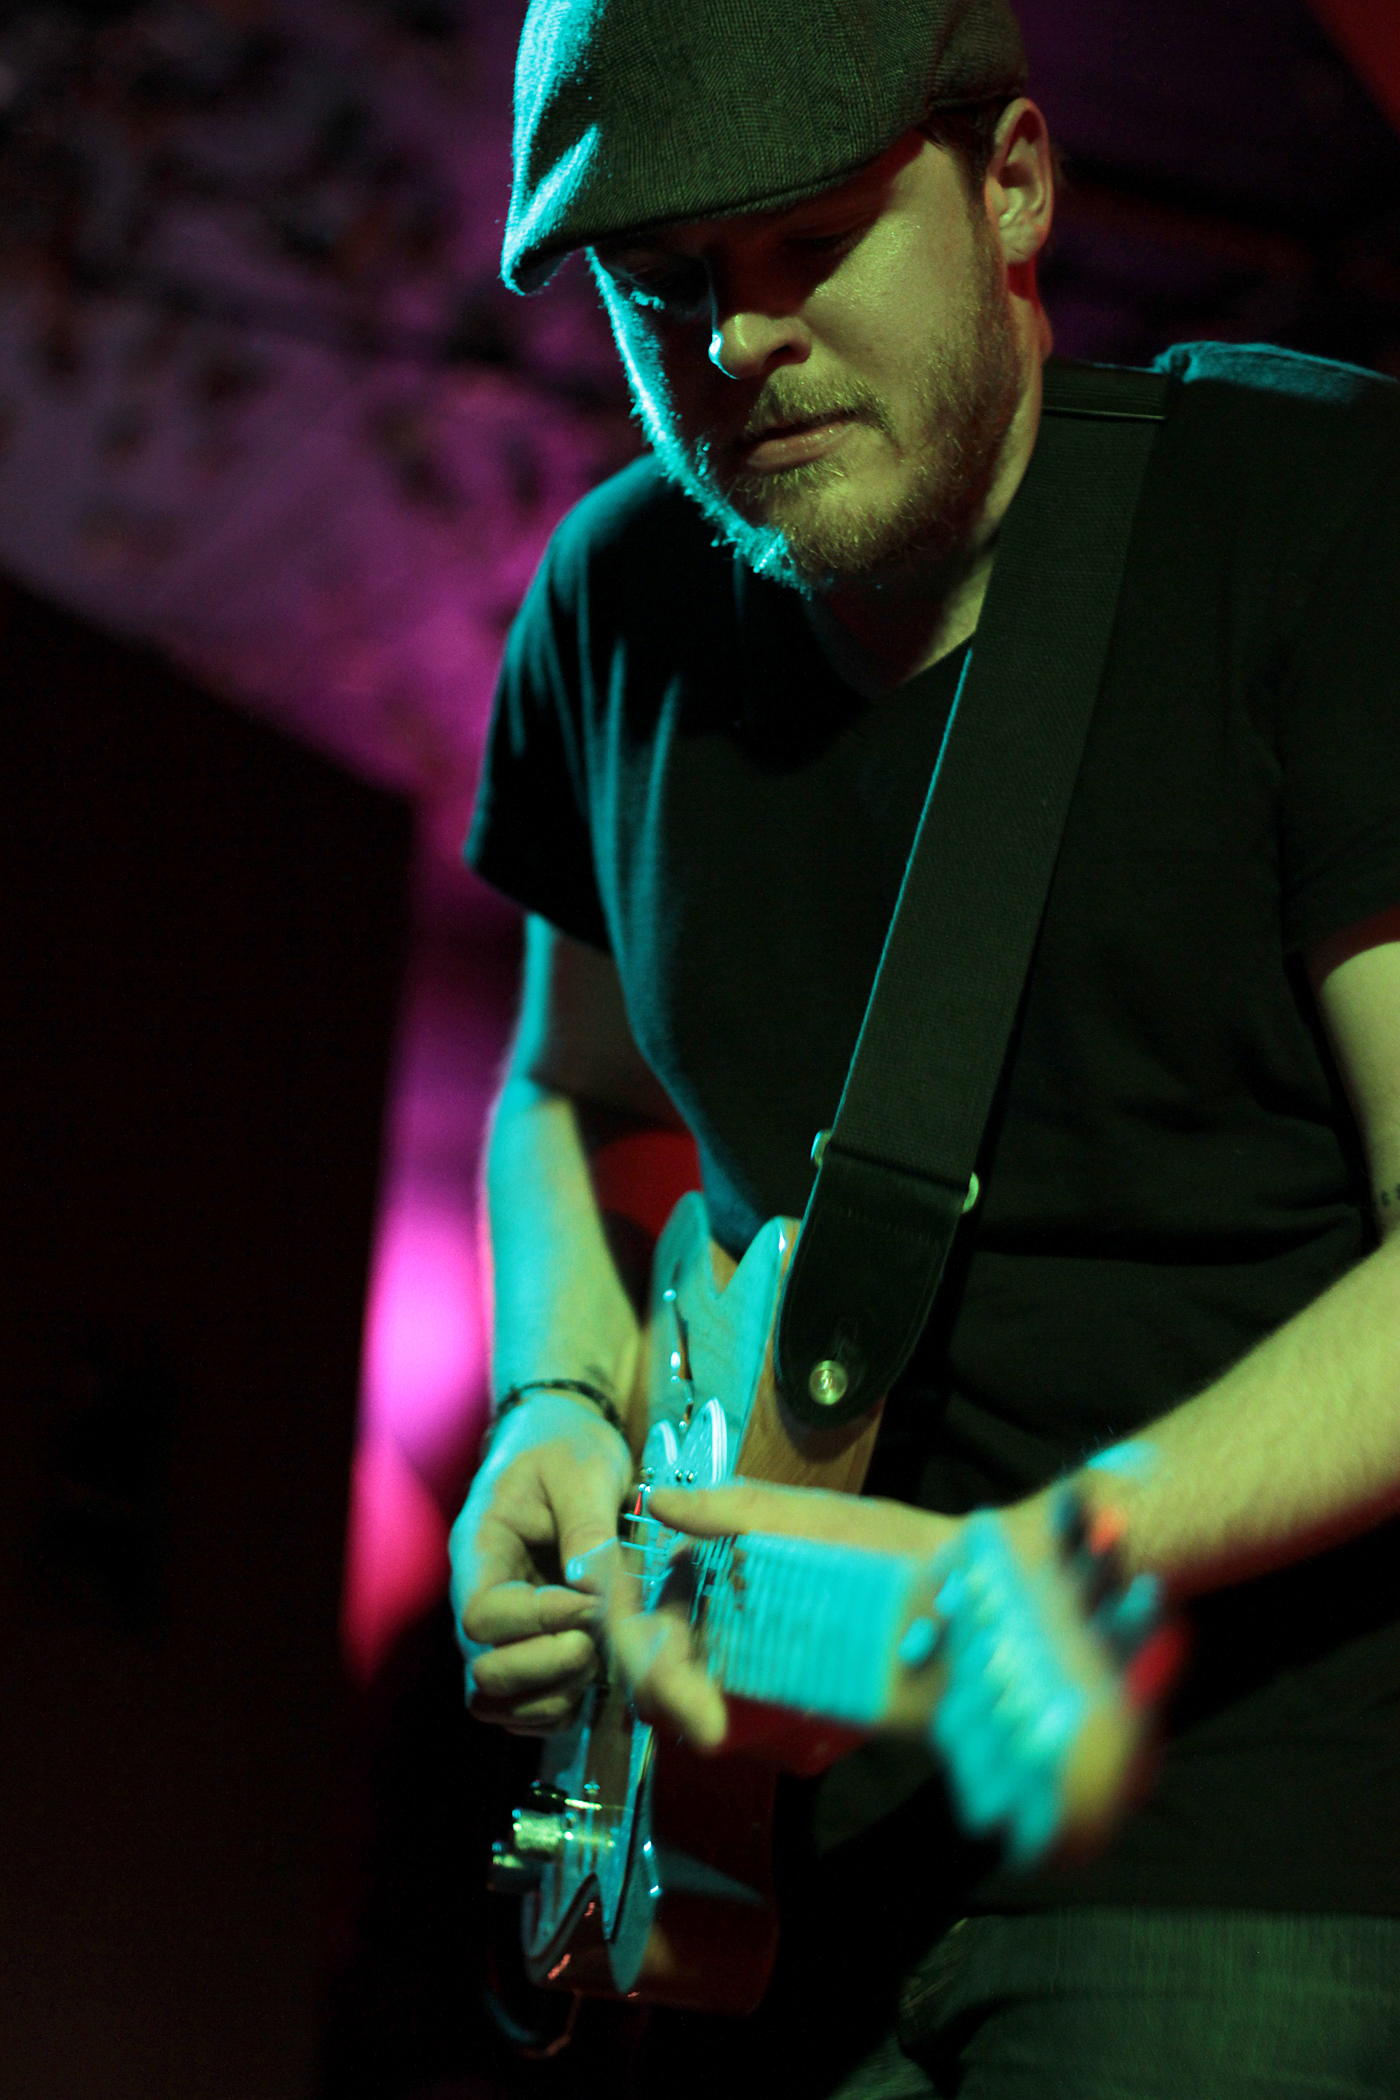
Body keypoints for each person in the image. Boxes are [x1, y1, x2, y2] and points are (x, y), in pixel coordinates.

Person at [448, 0, 1400, 2091]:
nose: (736, 343)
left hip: (1233, 1853)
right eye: (664, 286)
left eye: (806, 245)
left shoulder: (1315, 528)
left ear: (1016, 186)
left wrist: (1023, 1572)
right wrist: (547, 1402)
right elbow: (567, 1091)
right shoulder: (610, 614)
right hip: (766, 1901)